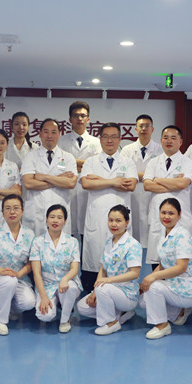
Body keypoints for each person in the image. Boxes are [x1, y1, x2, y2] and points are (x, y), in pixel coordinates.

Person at [79, 122, 137, 291]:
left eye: (113, 137)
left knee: (120, 266)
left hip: (120, 219)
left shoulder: (128, 162)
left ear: (120, 139)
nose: (109, 140)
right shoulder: (91, 162)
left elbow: (131, 185)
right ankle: (92, 296)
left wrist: (99, 180)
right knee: (93, 266)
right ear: (100, 139)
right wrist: (114, 181)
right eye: (105, 136)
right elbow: (86, 184)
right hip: (97, 219)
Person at [139, 198, 192, 340]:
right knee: (143, 301)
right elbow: (163, 264)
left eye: (171, 213)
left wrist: (153, 277)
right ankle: (179, 312)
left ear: (179, 215)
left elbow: (181, 267)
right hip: (173, 285)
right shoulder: (164, 233)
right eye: (163, 212)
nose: (166, 217)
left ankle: (162, 325)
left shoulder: (182, 235)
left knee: (154, 287)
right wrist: (147, 280)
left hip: (186, 288)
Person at [76, 205, 142, 335]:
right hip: (109, 290)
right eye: (110, 220)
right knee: (82, 307)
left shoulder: (133, 244)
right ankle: (121, 314)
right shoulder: (108, 242)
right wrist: (95, 292)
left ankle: (111, 322)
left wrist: (108, 281)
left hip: (127, 294)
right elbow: (103, 268)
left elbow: (135, 273)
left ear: (127, 222)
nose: (113, 224)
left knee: (103, 288)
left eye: (118, 221)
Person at [0, 195, 36, 335]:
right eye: (8, 208)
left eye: (16, 208)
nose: (12, 212)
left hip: (18, 278)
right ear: (3, 212)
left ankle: (2, 307)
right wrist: (1, 271)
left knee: (28, 302)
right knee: (9, 281)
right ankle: (0, 321)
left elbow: (31, 263)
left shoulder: (29, 234)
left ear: (22, 211)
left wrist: (19, 274)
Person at [142, 125, 192, 266]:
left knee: (179, 262)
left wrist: (157, 179)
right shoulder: (153, 162)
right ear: (161, 140)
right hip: (158, 217)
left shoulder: (187, 162)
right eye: (165, 137)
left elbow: (182, 184)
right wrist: (173, 184)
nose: (169, 141)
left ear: (180, 142)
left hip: (180, 219)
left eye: (173, 138)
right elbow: (147, 186)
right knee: (157, 262)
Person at [21, 118, 78, 236]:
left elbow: (70, 183)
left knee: (60, 245)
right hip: (36, 212)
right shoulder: (30, 157)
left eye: (53, 132)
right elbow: (28, 183)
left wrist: (43, 177)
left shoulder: (68, 157)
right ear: (40, 134)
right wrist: (59, 178)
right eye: (46, 132)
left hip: (60, 212)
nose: (49, 136)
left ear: (59, 134)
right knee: (35, 245)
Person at [30, 204, 82, 333]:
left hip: (67, 282)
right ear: (46, 219)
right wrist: (44, 297)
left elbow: (74, 268)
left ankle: (65, 320)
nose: (55, 220)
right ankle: (56, 304)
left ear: (65, 221)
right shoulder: (37, 242)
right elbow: (36, 273)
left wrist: (65, 279)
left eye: (59, 217)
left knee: (71, 287)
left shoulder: (72, 242)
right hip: (46, 284)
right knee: (44, 316)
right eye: (52, 217)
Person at [58, 101, 101, 240]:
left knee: (86, 233)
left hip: (87, 192)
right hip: (67, 191)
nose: (80, 119)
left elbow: (96, 167)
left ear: (88, 119)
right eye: (76, 115)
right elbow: (59, 166)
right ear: (70, 119)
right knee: (67, 232)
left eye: (83, 116)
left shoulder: (97, 143)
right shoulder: (61, 141)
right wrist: (85, 164)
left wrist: (72, 163)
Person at [120, 114, 163, 250]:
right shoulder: (127, 150)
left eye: (147, 126)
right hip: (132, 194)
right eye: (141, 126)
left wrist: (136, 175)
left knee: (151, 233)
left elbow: (163, 175)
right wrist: (149, 176)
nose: (144, 129)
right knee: (132, 231)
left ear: (152, 129)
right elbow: (123, 174)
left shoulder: (160, 149)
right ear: (136, 129)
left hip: (152, 194)